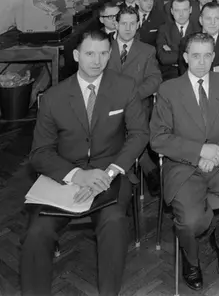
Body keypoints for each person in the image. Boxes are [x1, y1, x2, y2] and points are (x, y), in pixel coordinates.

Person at [21, 29, 149, 296]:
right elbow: (40, 153)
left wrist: (111, 171)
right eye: (90, 53)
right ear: (77, 55)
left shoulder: (125, 86)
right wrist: (77, 175)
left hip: (110, 175)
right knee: (36, 232)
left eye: (103, 53)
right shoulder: (54, 97)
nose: (97, 60)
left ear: (110, 55)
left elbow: (139, 134)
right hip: (64, 176)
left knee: (114, 222)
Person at [151, 33, 219, 291]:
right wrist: (200, 151)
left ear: (213, 57)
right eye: (196, 56)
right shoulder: (169, 90)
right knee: (191, 221)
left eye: (207, 56)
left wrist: (217, 152)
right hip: (184, 164)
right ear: (185, 57)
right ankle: (191, 259)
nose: (201, 62)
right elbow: (158, 138)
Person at [107, 6, 162, 196]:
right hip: (107, 104)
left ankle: (126, 175)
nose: (128, 28)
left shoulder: (147, 50)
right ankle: (146, 168)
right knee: (112, 128)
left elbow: (155, 79)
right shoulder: (103, 48)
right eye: (124, 23)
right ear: (116, 24)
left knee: (132, 129)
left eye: (132, 23)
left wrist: (132, 96)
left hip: (137, 104)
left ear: (138, 24)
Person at [180, 3, 219, 85]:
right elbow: (185, 73)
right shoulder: (187, 41)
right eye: (208, 18)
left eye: (216, 18)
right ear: (201, 20)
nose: (213, 22)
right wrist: (216, 70)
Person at [156, 0, 202, 80]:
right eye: (177, 10)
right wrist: (191, 55)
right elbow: (164, 58)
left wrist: (172, 51)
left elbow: (201, 57)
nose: (181, 14)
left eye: (185, 10)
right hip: (170, 74)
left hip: (195, 72)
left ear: (190, 10)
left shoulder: (199, 29)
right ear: (172, 11)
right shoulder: (164, 29)